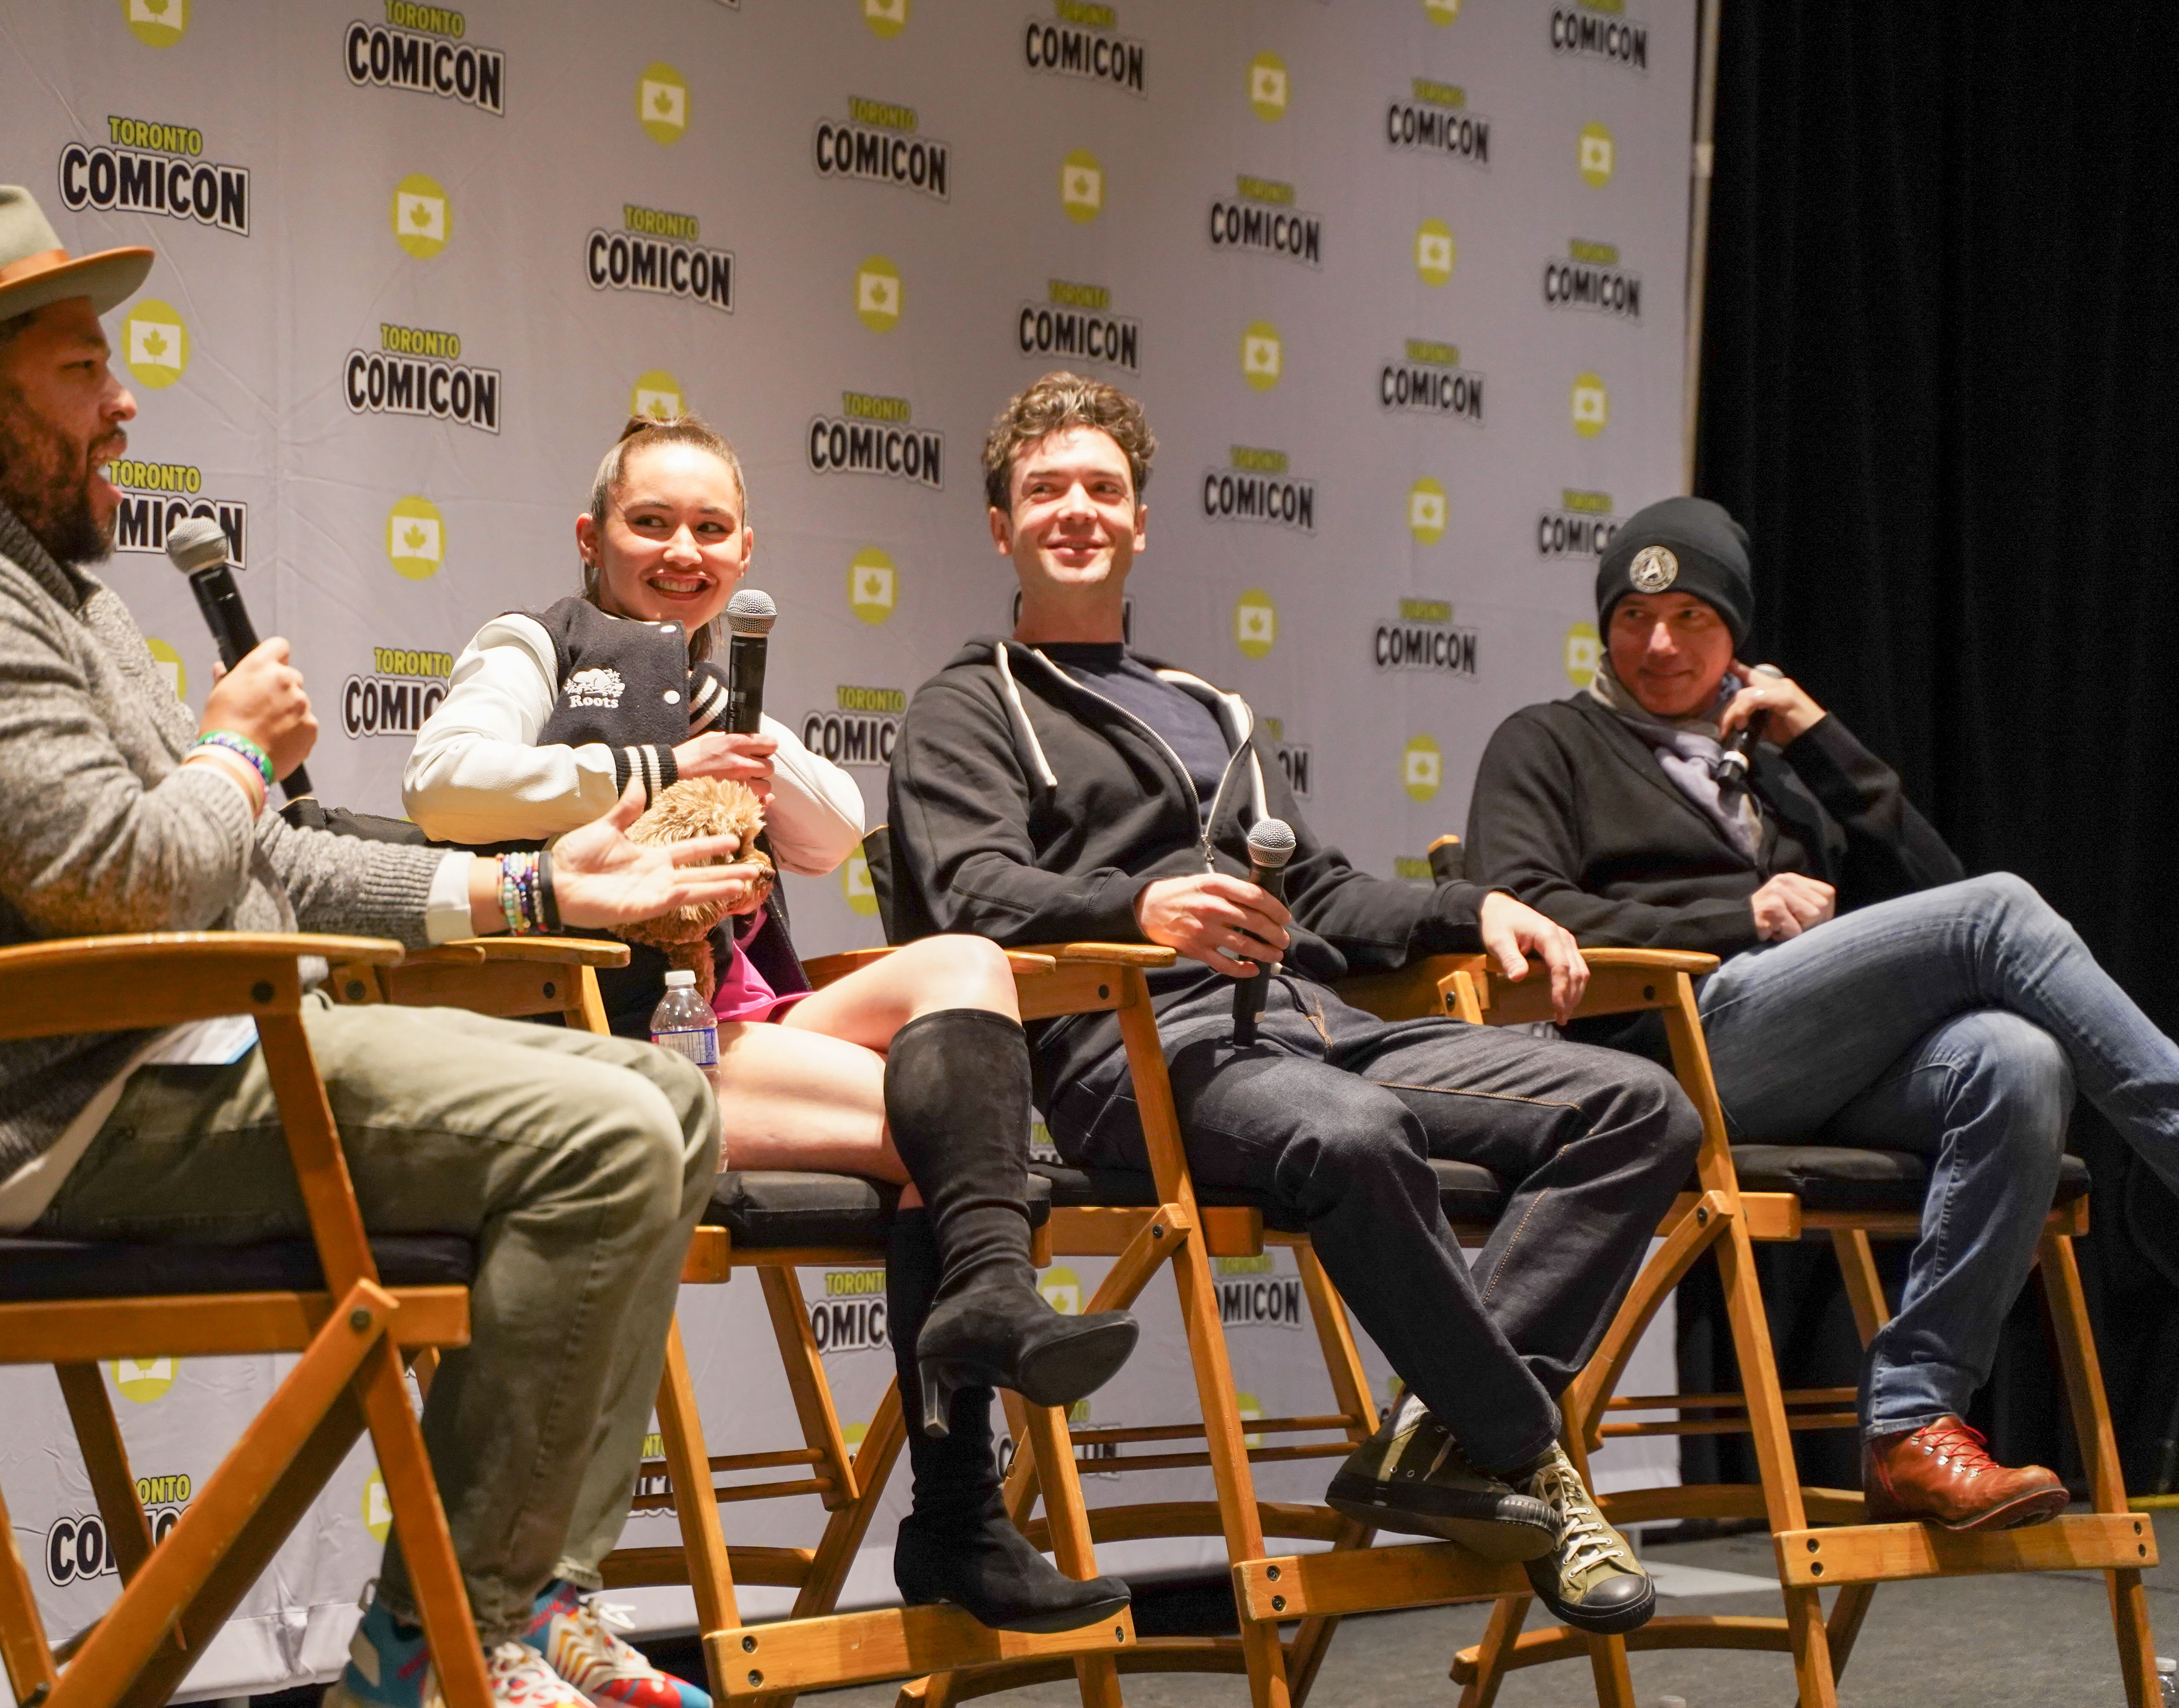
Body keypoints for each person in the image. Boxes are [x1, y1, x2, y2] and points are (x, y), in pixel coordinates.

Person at [0, 187, 767, 1708]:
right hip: (52, 1110)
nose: (126, 400)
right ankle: (436, 1640)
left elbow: (267, 860)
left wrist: (541, 895)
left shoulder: (16, 579)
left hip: (162, 1055)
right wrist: (228, 752)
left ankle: (529, 1599)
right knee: (608, 1135)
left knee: (669, 1102)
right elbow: (127, 878)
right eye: (83, 370)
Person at [883, 372, 1706, 1638]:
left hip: (1324, 1029)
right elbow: (969, 892)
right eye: (1046, 491)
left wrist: (1469, 910)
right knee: (1354, 1138)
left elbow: (1317, 887)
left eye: (1104, 489)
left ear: (1142, 521)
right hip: (1142, 1054)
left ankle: (1444, 1434)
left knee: (1641, 1110)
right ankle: (1534, 1459)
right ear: (1001, 527)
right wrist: (1138, 910)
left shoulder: (1213, 708)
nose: (1078, 512)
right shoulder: (969, 702)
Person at [401, 412, 1141, 1635]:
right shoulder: (535, 643)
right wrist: (651, 768)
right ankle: (963, 1508)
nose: (682, 550)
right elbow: (444, 787)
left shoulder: (716, 683)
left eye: (711, 529)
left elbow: (832, 830)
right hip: (615, 1044)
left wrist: (739, 741)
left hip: (743, 1026)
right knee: (965, 1148)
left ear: (746, 553)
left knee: (958, 962)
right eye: (651, 525)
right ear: (594, 537)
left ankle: (988, 1312)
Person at [1467, 494, 2179, 1530]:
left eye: (1692, 619)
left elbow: (1943, 892)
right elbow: (1521, 906)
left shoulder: (1780, 773)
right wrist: (1735, 910)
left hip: (1813, 1066)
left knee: (2020, 1055)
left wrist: (1826, 744)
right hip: (1665, 1050)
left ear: (1737, 633)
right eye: (1633, 616)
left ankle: (1914, 1425)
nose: (1658, 643)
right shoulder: (1548, 741)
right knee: (2002, 914)